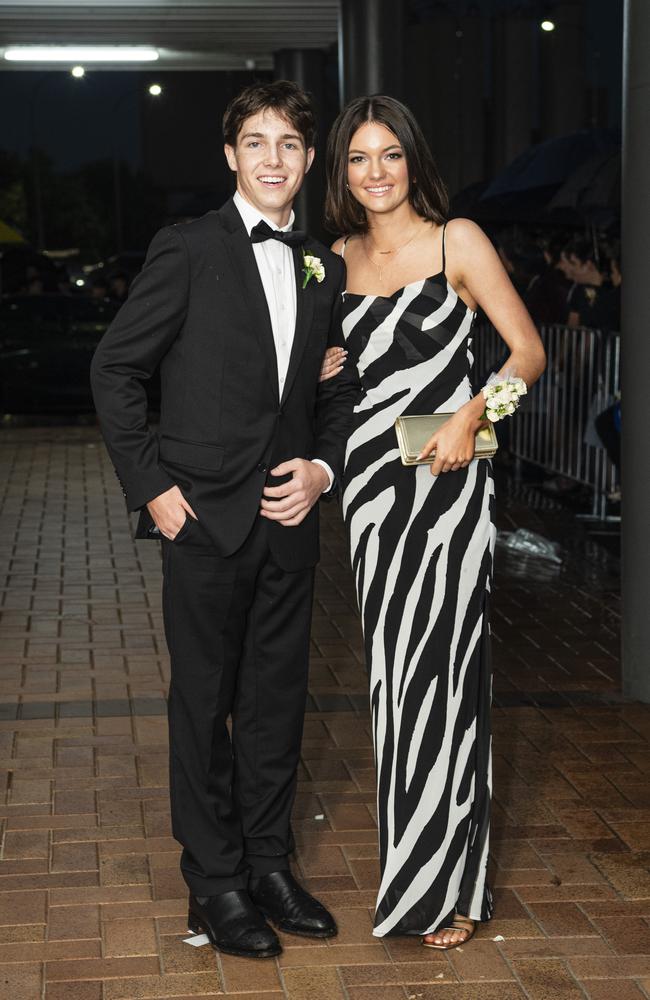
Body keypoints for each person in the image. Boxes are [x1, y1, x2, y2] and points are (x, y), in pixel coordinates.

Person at [90, 80, 359, 961]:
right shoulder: (189, 248)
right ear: (231, 156)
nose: (273, 158)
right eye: (256, 142)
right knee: (203, 708)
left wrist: (322, 469)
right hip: (202, 521)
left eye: (289, 143)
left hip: (290, 521)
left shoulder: (325, 264)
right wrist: (154, 489)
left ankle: (269, 864)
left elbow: (332, 392)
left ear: (309, 158)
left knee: (277, 703)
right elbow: (115, 371)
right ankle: (214, 884)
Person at [321, 95, 546, 949]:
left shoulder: (459, 241)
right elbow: (337, 381)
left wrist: (473, 417)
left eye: (390, 156)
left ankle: (453, 889)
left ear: (413, 160)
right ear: (341, 172)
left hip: (451, 497)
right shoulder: (334, 259)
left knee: (449, 685)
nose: (375, 174)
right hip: (373, 499)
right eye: (357, 159)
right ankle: (413, 877)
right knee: (394, 689)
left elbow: (528, 352)